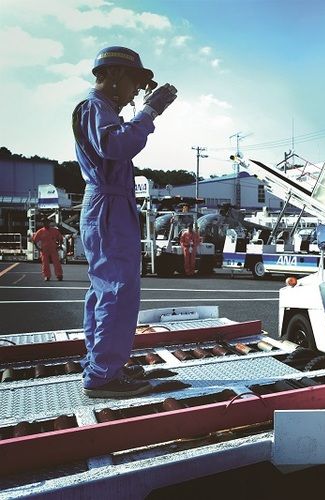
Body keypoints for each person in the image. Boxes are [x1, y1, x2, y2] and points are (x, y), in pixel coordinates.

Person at [72, 46, 178, 398]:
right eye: (134, 82)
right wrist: (150, 111)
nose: (136, 92)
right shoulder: (95, 107)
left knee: (107, 290)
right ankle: (103, 375)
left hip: (109, 203)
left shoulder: (101, 109)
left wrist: (143, 111)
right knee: (118, 292)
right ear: (114, 75)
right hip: (109, 205)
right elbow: (117, 147)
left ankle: (103, 364)